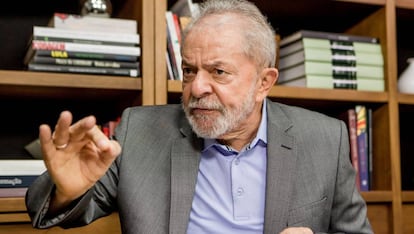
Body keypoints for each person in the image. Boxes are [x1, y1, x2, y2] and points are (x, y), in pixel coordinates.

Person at [25, 0, 373, 233]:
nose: (196, 87)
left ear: (263, 82)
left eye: (218, 71)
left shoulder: (324, 139)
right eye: (189, 71)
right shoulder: (139, 132)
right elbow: (54, 210)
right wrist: (65, 190)